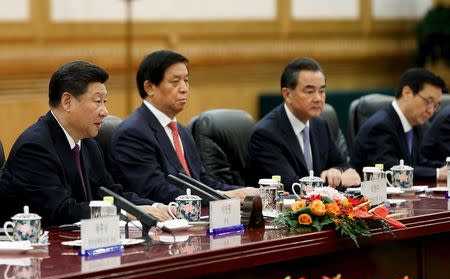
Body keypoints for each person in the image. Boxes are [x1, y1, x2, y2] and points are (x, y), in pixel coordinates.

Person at [0, 61, 172, 228]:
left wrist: (156, 207)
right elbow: (61, 211)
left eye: (105, 102)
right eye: (98, 101)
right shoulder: (34, 147)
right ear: (67, 101)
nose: (105, 112)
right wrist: (127, 212)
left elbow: (112, 194)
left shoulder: (88, 144)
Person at [108, 50, 257, 204]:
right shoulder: (133, 133)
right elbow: (156, 190)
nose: (184, 88)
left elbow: (202, 182)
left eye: (186, 80)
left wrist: (241, 192)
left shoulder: (181, 131)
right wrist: (222, 198)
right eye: (175, 82)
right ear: (149, 87)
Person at [245, 57, 361, 190]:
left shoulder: (320, 124)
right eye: (310, 92)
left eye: (322, 91)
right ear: (287, 94)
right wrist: (338, 182)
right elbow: (292, 187)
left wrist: (336, 172)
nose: (318, 98)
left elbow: (344, 166)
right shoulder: (266, 134)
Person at [350, 68, 447, 181]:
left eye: (435, 105)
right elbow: (391, 171)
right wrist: (437, 173)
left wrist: (444, 168)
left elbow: (419, 163)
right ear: (407, 93)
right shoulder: (380, 126)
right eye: (429, 102)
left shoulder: (415, 124)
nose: (431, 111)